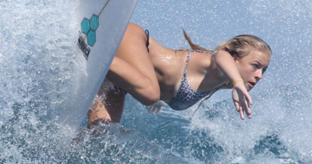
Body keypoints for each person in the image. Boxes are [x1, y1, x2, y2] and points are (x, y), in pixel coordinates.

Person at [87, 24, 271, 127]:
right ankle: (88, 50)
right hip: (131, 38)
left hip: (118, 78)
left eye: (264, 70)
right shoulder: (216, 66)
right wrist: (238, 82)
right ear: (235, 58)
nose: (260, 75)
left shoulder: (220, 82)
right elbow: (221, 56)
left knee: (101, 135)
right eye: (255, 66)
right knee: (150, 95)